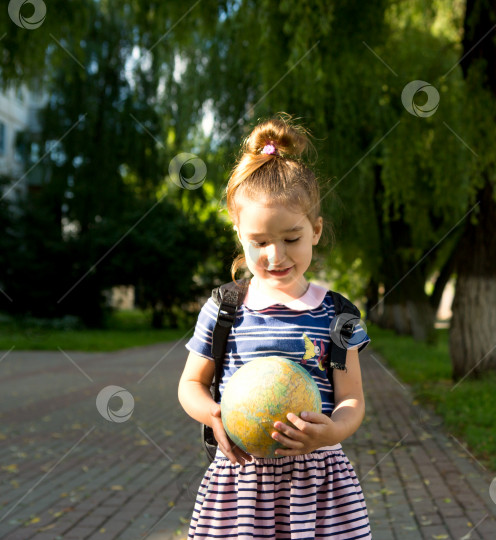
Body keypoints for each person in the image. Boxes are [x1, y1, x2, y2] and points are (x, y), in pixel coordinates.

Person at [178, 114, 372, 539]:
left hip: (317, 481)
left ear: (316, 231)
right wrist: (215, 416)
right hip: (242, 481)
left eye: (291, 238)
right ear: (239, 235)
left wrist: (332, 431)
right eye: (260, 242)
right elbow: (190, 383)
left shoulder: (337, 315)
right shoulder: (224, 309)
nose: (275, 255)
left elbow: (351, 399)